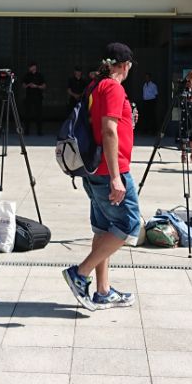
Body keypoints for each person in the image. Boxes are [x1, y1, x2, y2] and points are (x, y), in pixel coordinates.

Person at [62, 42, 140, 311]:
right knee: (129, 225)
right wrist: (117, 178)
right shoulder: (114, 87)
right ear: (125, 65)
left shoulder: (95, 86)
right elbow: (108, 131)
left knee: (104, 229)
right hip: (110, 170)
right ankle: (79, 273)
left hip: (94, 169)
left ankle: (103, 291)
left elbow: (104, 125)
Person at [22, 62, 47, 135]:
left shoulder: (40, 75)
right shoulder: (27, 75)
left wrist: (36, 86)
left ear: (34, 67)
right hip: (29, 97)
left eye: (30, 67)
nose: (29, 68)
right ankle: (26, 131)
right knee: (27, 114)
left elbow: (44, 86)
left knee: (39, 114)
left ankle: (39, 131)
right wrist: (28, 85)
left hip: (38, 97)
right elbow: (23, 85)